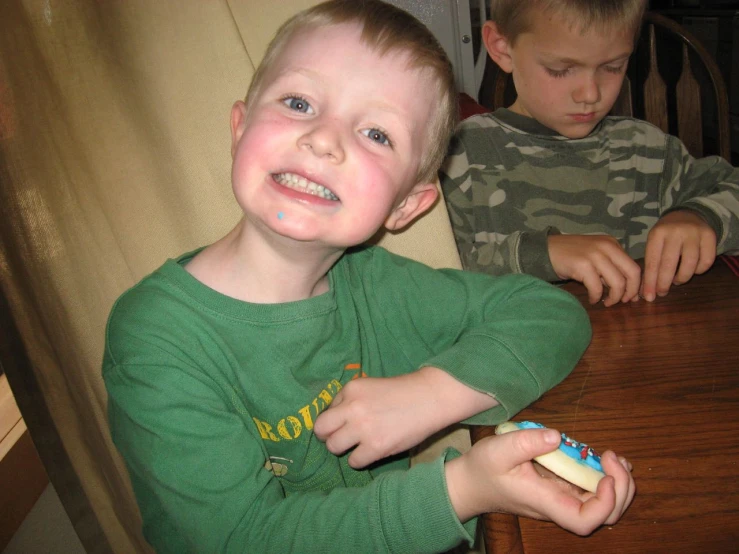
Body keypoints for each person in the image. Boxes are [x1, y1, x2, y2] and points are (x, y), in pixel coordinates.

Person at [102, 1, 634, 552]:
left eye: (376, 134)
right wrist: (462, 491)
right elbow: (242, 540)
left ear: (406, 206)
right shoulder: (155, 338)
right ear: (240, 129)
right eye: (299, 102)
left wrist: (434, 395)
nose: (324, 139)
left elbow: (550, 312)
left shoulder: (374, 283)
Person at [440, 0, 739, 307]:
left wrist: (701, 217)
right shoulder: (457, 157)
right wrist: (542, 254)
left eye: (613, 67)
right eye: (561, 69)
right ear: (502, 48)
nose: (590, 94)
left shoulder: (651, 152)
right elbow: (421, 273)